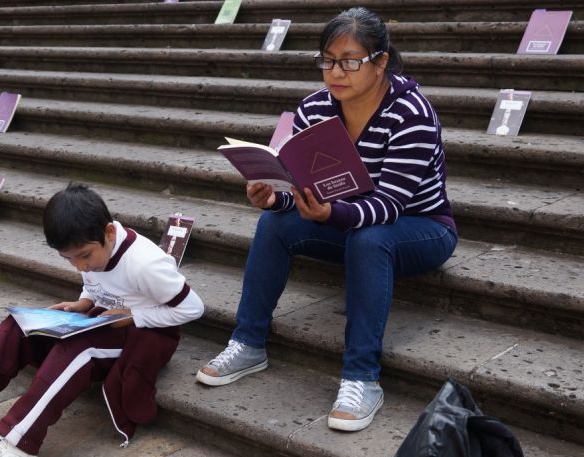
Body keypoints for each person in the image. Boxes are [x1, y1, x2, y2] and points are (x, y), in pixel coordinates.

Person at [196, 6, 458, 433]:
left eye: (350, 60)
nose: (336, 72)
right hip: (346, 221)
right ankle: (247, 342)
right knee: (274, 225)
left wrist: (331, 213)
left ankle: (361, 377)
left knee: (371, 238)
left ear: (381, 62)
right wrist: (274, 199)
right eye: (328, 60)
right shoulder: (315, 108)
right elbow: (304, 195)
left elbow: (390, 204)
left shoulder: (411, 113)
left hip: (421, 228)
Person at [0, 184, 204, 457]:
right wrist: (83, 302)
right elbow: (96, 284)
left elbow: (192, 308)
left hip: (145, 336)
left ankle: (18, 444)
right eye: (69, 259)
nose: (79, 267)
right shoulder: (95, 252)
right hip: (102, 320)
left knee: (79, 349)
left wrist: (134, 316)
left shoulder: (146, 264)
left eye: (85, 256)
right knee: (19, 326)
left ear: (109, 233)